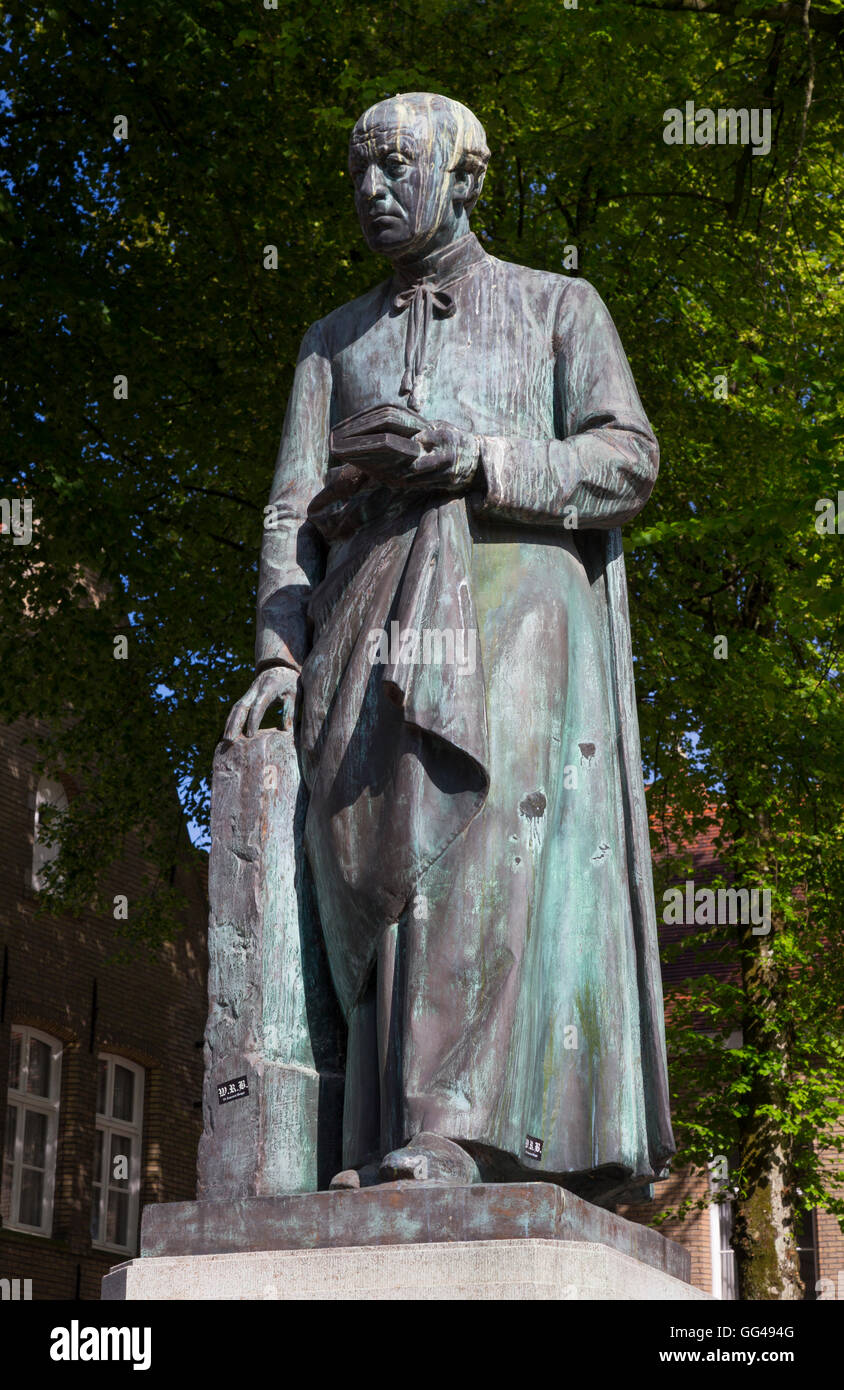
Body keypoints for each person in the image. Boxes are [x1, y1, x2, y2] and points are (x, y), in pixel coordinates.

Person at [225, 92, 674, 1204]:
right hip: (363, 617)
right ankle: (376, 1125)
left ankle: (453, 1126)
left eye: (395, 169)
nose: (372, 193)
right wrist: (280, 654)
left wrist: (476, 458)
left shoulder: (557, 305)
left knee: (477, 842)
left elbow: (627, 459)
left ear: (464, 181)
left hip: (512, 595)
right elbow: (288, 513)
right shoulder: (331, 341)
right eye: (358, 174)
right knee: (369, 857)